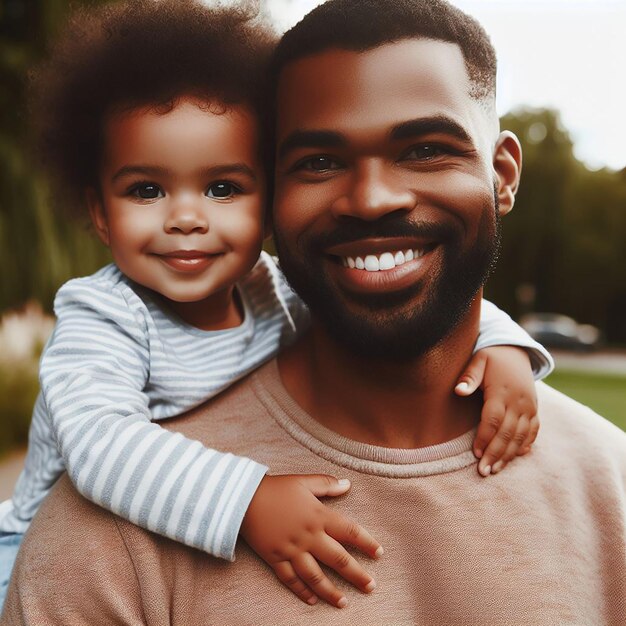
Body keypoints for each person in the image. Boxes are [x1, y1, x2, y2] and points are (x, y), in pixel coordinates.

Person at [0, 0, 555, 613]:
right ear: (101, 214)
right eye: (146, 190)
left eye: (222, 188)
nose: (186, 218)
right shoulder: (103, 316)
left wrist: (497, 347)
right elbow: (100, 445)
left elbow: (392, 294)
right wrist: (247, 500)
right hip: (25, 554)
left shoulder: (270, 287)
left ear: (267, 205)